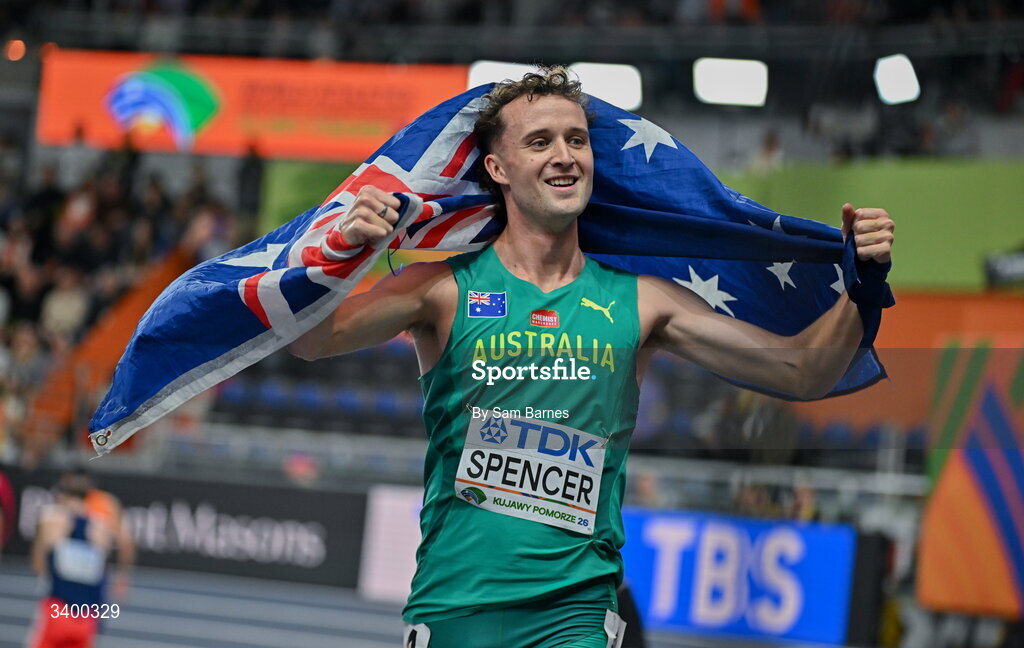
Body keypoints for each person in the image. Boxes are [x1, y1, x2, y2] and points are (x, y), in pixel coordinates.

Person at [289, 66, 895, 647]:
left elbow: (804, 370)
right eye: (540, 140)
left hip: (576, 616)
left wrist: (863, 281)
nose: (565, 154)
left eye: (577, 139)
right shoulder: (443, 290)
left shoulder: (642, 302)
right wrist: (346, 254)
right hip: (455, 607)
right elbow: (312, 339)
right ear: (498, 167)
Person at [27, 472, 117, 648]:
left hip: (56, 610)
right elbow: (104, 577)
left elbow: (37, 566)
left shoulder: (50, 521)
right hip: (86, 618)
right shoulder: (102, 529)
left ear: (61, 495)